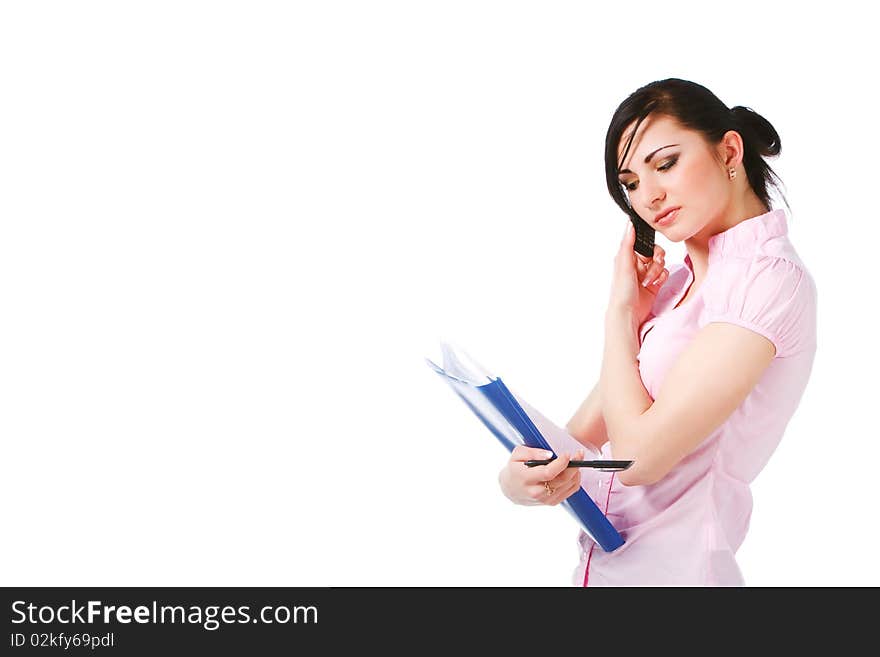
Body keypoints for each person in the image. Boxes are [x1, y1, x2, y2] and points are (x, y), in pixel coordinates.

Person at [497, 78, 817, 586]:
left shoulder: (767, 280)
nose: (649, 197)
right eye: (630, 183)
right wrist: (519, 480)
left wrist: (621, 314)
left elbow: (637, 459)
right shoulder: (678, 288)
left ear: (728, 150)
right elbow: (576, 443)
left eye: (665, 164)